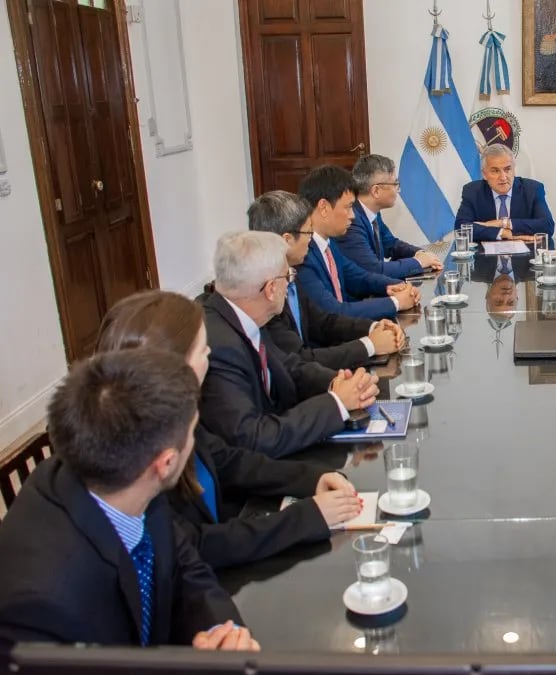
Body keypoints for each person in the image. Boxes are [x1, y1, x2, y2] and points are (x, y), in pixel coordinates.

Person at [0, 349, 258, 650]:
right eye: (192, 433)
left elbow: (183, 565)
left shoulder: (125, 475)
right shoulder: (40, 611)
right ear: (166, 464)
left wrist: (221, 631)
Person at [96, 290, 365, 569]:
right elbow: (198, 545)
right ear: (175, 366)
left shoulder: (177, 412)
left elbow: (229, 460)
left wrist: (312, 478)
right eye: (202, 350)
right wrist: (305, 518)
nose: (209, 353)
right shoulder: (135, 459)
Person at [201, 231, 379, 459]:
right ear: (271, 289)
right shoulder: (219, 345)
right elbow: (254, 437)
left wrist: (336, 382)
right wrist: (336, 403)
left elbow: (288, 367)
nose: (290, 286)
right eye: (289, 277)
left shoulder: (243, 315)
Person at [247, 190, 405, 370]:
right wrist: (370, 345)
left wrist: (373, 327)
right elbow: (300, 359)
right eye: (308, 232)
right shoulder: (267, 292)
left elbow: (323, 321)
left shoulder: (289, 274)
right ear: (287, 240)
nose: (310, 240)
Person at [297, 165, 420, 320]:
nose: (352, 216)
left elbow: (357, 276)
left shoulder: (328, 244)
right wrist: (395, 303)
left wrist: (396, 286)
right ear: (324, 207)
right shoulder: (302, 254)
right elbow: (334, 312)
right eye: (348, 207)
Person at [340, 154, 443, 279]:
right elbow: (374, 270)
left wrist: (420, 253)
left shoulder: (372, 211)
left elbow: (391, 244)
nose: (398, 190)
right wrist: (418, 262)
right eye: (395, 184)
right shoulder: (351, 221)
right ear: (376, 191)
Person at [454, 144, 555, 242]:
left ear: (514, 170)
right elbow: (461, 228)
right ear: (484, 174)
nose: (503, 177)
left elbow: (547, 225)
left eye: (507, 169)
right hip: (485, 257)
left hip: (524, 257)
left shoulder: (532, 189)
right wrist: (503, 233)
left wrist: (503, 223)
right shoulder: (472, 191)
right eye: (495, 171)